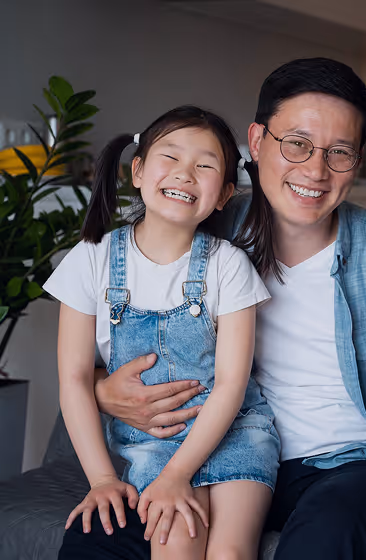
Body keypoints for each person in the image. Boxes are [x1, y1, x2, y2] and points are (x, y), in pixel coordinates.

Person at [59, 58, 366, 560]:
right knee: (97, 538)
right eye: (296, 144)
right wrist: (105, 392)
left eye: (338, 152)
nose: (315, 170)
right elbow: (114, 328)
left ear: (358, 159)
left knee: (323, 539)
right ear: (256, 143)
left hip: (357, 463)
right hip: (210, 446)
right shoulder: (205, 225)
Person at [47, 106, 279, 559]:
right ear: (137, 170)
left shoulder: (228, 265)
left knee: (230, 553)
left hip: (237, 433)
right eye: (169, 157)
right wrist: (102, 480)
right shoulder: (91, 259)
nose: (185, 174)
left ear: (224, 194)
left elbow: (232, 386)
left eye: (205, 165)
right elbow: (74, 378)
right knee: (175, 545)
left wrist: (180, 475)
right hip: (151, 446)